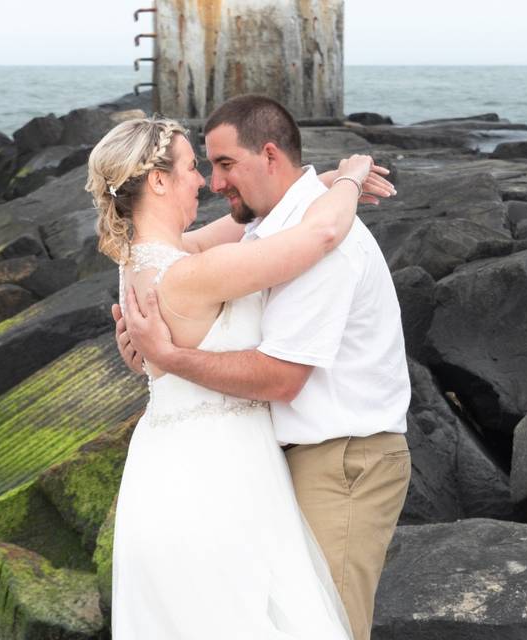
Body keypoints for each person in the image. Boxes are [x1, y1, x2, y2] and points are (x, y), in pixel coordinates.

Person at [113, 96, 411, 640]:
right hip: (228, 469)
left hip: (329, 458)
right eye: (195, 167)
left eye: (222, 165)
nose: (207, 182)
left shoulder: (146, 261)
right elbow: (312, 234)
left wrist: (168, 360)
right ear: (156, 182)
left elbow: (280, 369)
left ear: (269, 155)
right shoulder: (201, 263)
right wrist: (348, 177)